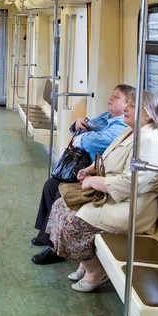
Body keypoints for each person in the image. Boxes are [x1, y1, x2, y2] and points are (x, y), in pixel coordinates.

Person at [36, 90, 158, 293]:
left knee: (71, 223)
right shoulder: (130, 131)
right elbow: (108, 158)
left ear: (148, 114)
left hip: (131, 208)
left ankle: (94, 270)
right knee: (61, 205)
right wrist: (89, 170)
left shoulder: (149, 141)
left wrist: (95, 181)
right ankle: (84, 261)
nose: (126, 108)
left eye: (131, 106)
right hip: (112, 197)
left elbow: (129, 184)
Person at [31, 84, 134, 258]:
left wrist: (81, 135)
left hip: (95, 171)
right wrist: (77, 124)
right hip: (84, 165)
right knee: (50, 185)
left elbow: (95, 142)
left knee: (60, 192)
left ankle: (55, 248)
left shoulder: (120, 126)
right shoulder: (106, 117)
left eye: (117, 96)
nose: (111, 97)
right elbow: (84, 125)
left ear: (127, 106)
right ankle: (46, 233)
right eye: (112, 93)